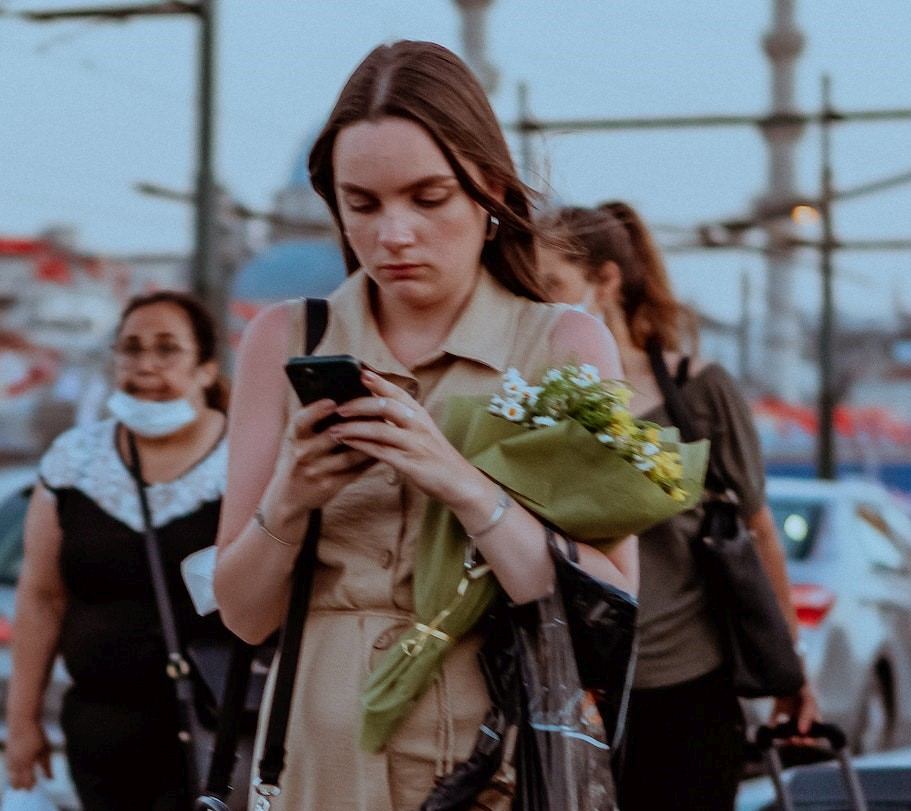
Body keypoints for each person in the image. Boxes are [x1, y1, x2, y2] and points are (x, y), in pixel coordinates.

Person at [213, 41, 638, 809]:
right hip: (317, 763)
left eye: (428, 198)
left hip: (490, 767)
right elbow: (243, 616)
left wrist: (461, 483)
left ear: (489, 191)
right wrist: (290, 498)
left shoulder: (563, 344)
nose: (394, 234)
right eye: (362, 204)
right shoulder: (285, 338)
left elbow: (605, 609)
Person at [536, 203, 818, 811]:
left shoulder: (697, 390)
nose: (539, 305)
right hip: (573, 691)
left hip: (688, 689)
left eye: (552, 286)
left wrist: (789, 671)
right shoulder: (531, 402)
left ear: (605, 282)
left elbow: (759, 531)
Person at [5, 291, 231, 811]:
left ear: (206, 369)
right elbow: (41, 597)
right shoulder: (74, 460)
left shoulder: (246, 459)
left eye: (167, 349)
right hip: (101, 737)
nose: (145, 365)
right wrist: (21, 721)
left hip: (218, 730)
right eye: (131, 348)